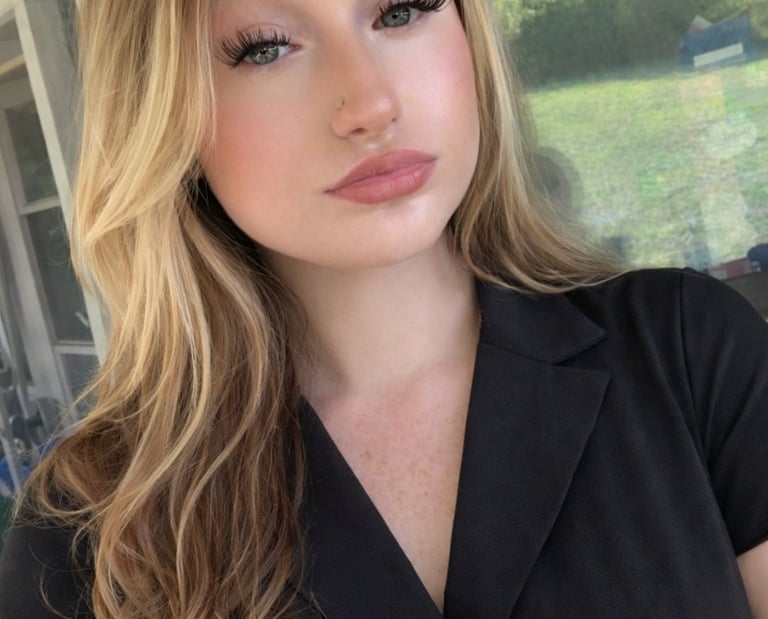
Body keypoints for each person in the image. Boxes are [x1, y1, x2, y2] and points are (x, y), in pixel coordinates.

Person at [1, 1, 767, 617]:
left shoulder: (694, 354)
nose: (370, 103)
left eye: (402, 11)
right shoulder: (86, 535)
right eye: (265, 47)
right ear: (162, 111)